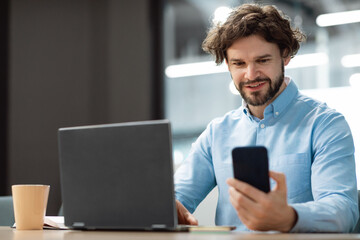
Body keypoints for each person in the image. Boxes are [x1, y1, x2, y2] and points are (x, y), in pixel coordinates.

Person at [174, 3, 358, 233]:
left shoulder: (326, 125)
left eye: (262, 60)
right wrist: (167, 208)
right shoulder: (216, 133)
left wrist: (289, 217)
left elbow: (344, 212)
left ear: (285, 55)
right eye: (239, 63)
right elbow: (176, 197)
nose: (250, 75)